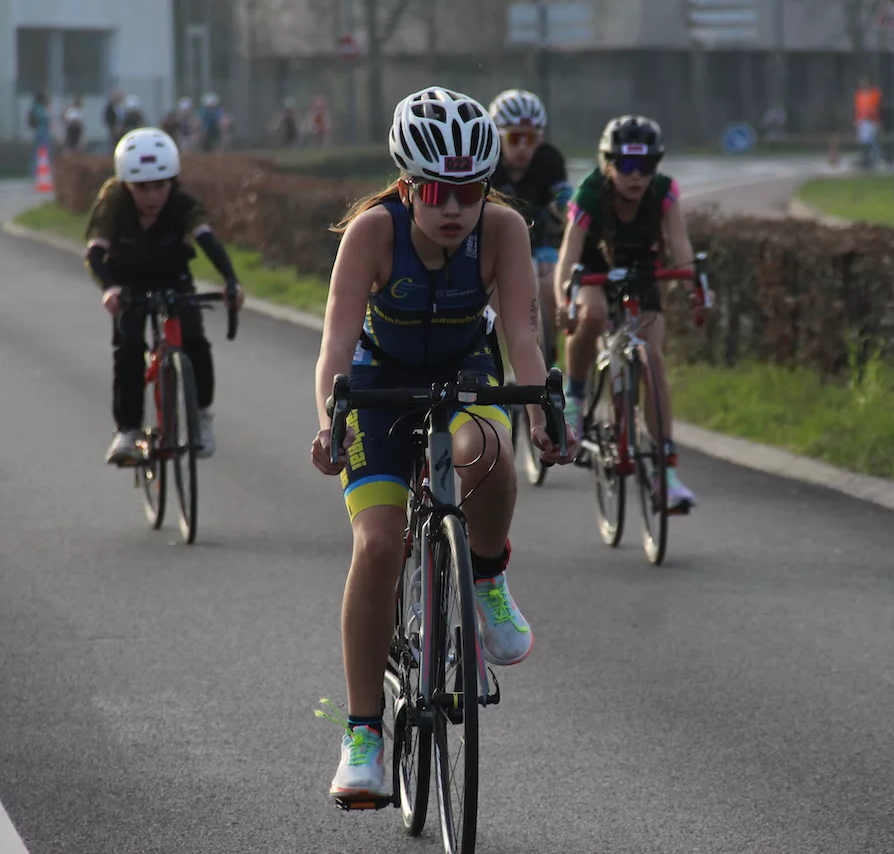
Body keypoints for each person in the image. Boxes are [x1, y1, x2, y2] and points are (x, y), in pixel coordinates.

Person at [310, 86, 578, 805]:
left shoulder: (504, 229)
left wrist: (544, 408)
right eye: (436, 192)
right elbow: (335, 341)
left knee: (487, 448)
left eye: (469, 191)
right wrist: (330, 420)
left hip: (465, 370)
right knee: (378, 546)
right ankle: (363, 733)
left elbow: (522, 334)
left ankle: (485, 579)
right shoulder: (372, 232)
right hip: (378, 380)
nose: (454, 208)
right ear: (407, 187)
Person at [555, 115, 697, 513]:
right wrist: (565, 302)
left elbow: (680, 246)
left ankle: (665, 472)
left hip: (641, 270)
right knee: (593, 314)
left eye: (646, 166)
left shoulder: (665, 192)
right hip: (592, 269)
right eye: (627, 165)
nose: (636, 176)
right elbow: (568, 256)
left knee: (653, 358)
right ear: (608, 165)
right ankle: (575, 399)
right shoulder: (589, 193)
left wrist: (694, 287)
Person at [84, 128, 247, 465]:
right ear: (126, 185)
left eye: (160, 185)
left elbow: (208, 242)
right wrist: (109, 288)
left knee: (196, 341)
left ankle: (202, 418)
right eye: (141, 187)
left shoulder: (182, 204)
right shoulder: (112, 204)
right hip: (126, 278)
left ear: (172, 181)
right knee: (129, 347)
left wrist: (231, 281)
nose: (152, 195)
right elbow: (95, 253)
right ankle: (127, 430)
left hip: (172, 274)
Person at [486, 88, 571, 366]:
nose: (523, 147)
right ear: (499, 136)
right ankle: (503, 354)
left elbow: (564, 196)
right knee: (494, 292)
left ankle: (550, 352)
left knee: (549, 283)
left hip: (541, 239)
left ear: (540, 139)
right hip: (500, 243)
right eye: (515, 138)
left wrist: (566, 209)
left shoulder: (549, 159)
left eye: (531, 138)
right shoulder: (488, 164)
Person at [854, 75, 883, 170]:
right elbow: (858, 109)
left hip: (873, 121)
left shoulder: (875, 93)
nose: (863, 85)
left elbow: (876, 108)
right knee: (865, 139)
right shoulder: (859, 95)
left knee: (871, 139)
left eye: (865, 83)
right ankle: (866, 158)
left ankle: (873, 158)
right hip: (863, 121)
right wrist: (857, 120)